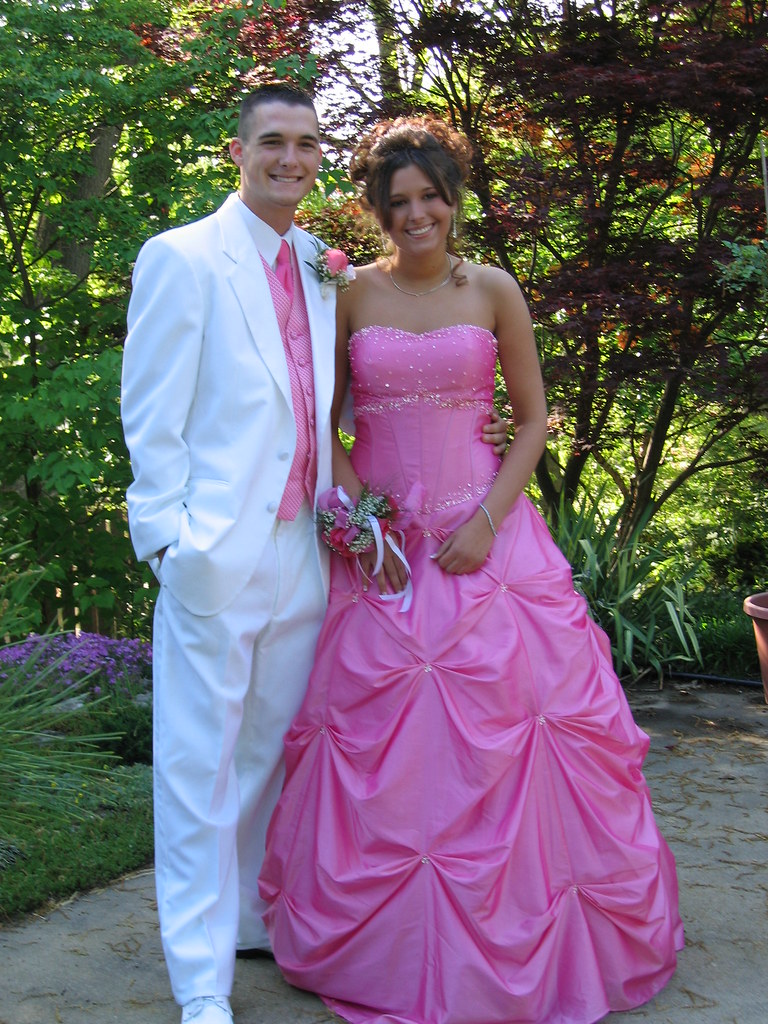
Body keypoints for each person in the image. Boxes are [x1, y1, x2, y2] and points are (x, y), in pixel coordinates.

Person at [259, 116, 684, 1024]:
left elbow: (530, 420)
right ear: (378, 209)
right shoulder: (348, 295)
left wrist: (489, 522)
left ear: (454, 200)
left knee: (520, 732)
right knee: (384, 746)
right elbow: (322, 423)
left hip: (488, 542)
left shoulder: (492, 288)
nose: (417, 214)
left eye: (431, 197)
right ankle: (385, 947)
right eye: (398, 200)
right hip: (386, 557)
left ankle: (542, 932)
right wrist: (355, 518)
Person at [121, 88, 507, 1024]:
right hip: (217, 551)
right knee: (198, 768)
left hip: (308, 548)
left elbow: (343, 399)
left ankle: (252, 917)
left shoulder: (317, 265)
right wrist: (170, 541)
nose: (289, 158)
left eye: (305, 143)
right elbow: (151, 414)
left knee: (269, 752)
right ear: (239, 151)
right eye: (272, 143)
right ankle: (201, 981)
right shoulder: (180, 258)